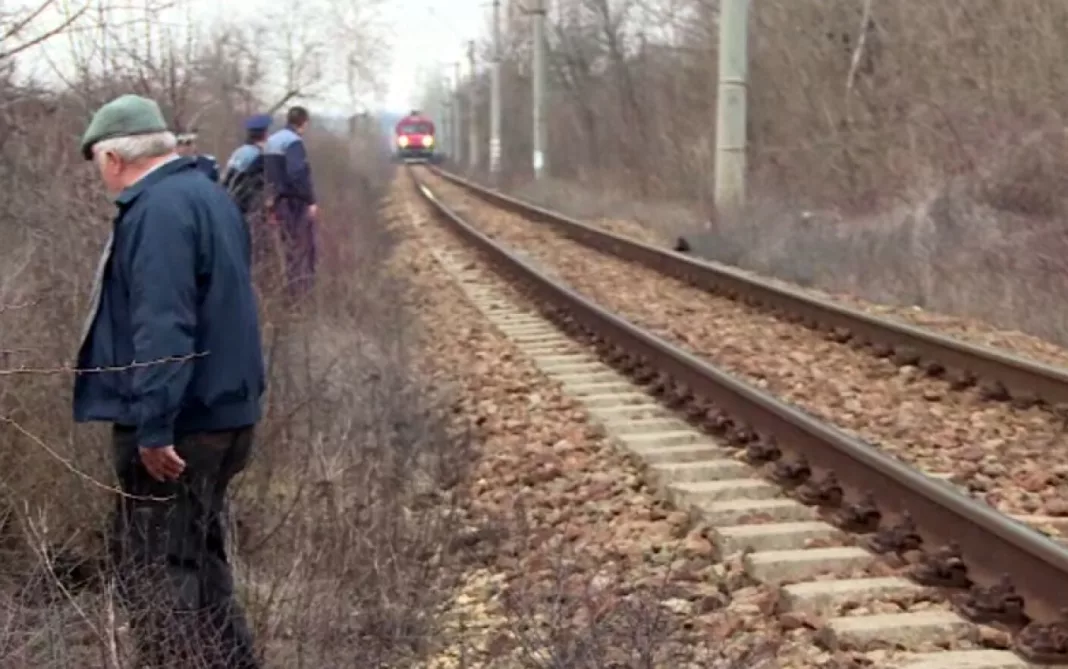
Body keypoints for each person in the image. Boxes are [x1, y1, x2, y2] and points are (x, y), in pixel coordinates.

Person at [75, 94, 265, 669]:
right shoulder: (208, 196)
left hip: (181, 424)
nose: (102, 179)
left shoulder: (157, 211)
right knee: (201, 568)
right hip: (227, 415)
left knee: (156, 576)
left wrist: (155, 428)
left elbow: (165, 325)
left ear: (113, 157)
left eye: (98, 167)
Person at [264, 106, 317, 296]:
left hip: (276, 202)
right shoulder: (293, 142)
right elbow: (297, 174)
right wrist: (310, 200)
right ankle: (301, 294)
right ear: (303, 122)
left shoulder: (272, 141)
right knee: (302, 248)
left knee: (284, 248)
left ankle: (286, 292)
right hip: (294, 203)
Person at [222, 114, 273, 270]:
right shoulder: (259, 156)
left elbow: (226, 179)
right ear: (264, 134)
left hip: (230, 204)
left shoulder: (239, 152)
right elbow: (261, 185)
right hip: (248, 207)